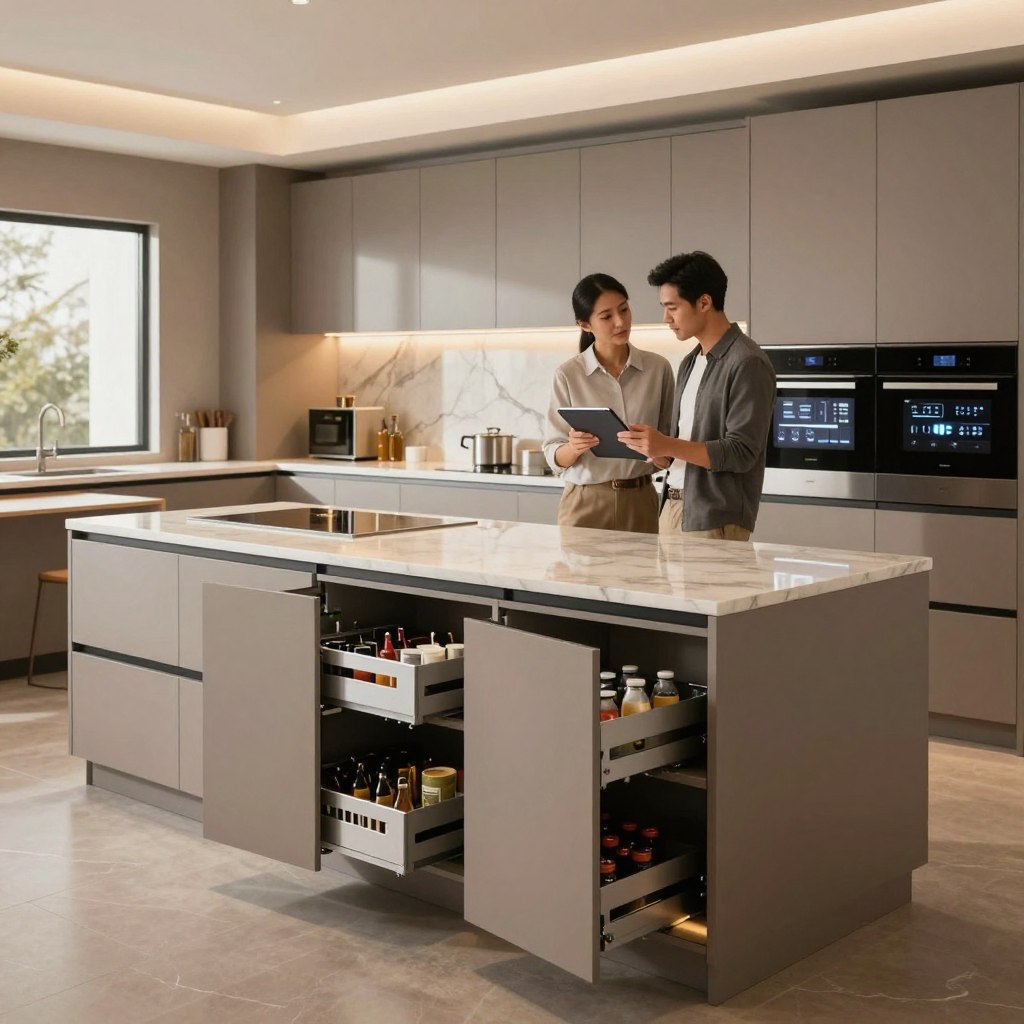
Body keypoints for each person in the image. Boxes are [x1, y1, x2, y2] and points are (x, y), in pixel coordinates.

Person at [617, 251, 775, 540]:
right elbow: (686, 445)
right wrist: (659, 452)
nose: (666, 318)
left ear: (704, 302)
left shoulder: (747, 362)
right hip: (672, 507)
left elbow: (742, 453)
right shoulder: (690, 362)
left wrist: (667, 444)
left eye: (672, 307)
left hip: (714, 519)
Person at [543, 273, 675, 533]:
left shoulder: (658, 368)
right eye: (606, 316)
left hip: (642, 500)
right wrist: (574, 447)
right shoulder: (568, 375)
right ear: (585, 324)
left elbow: (670, 444)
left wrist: (659, 453)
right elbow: (553, 454)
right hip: (585, 503)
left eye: (624, 309)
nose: (620, 322)